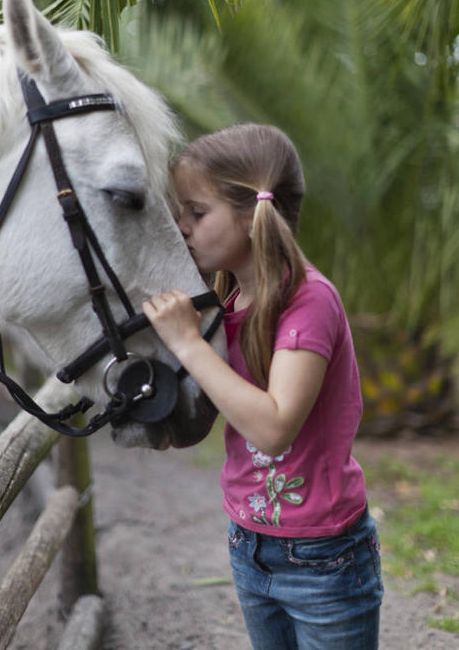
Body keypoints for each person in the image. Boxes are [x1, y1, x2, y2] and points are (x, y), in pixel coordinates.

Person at [142, 123, 383, 650]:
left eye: (196, 212)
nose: (180, 226)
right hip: (250, 542)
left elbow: (274, 428)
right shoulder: (229, 299)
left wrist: (189, 346)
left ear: (254, 215)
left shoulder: (308, 301)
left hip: (322, 557)